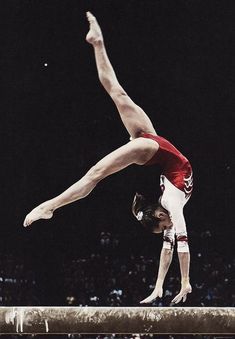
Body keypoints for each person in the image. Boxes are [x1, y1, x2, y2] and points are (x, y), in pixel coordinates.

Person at [23, 12, 193, 304]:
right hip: (152, 149)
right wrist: (186, 283)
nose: (168, 229)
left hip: (159, 150)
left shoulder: (168, 209)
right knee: (95, 174)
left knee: (118, 93)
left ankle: (97, 42)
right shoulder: (173, 208)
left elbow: (168, 249)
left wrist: (158, 288)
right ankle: (50, 206)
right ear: (161, 216)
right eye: (164, 227)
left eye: (163, 228)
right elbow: (181, 246)